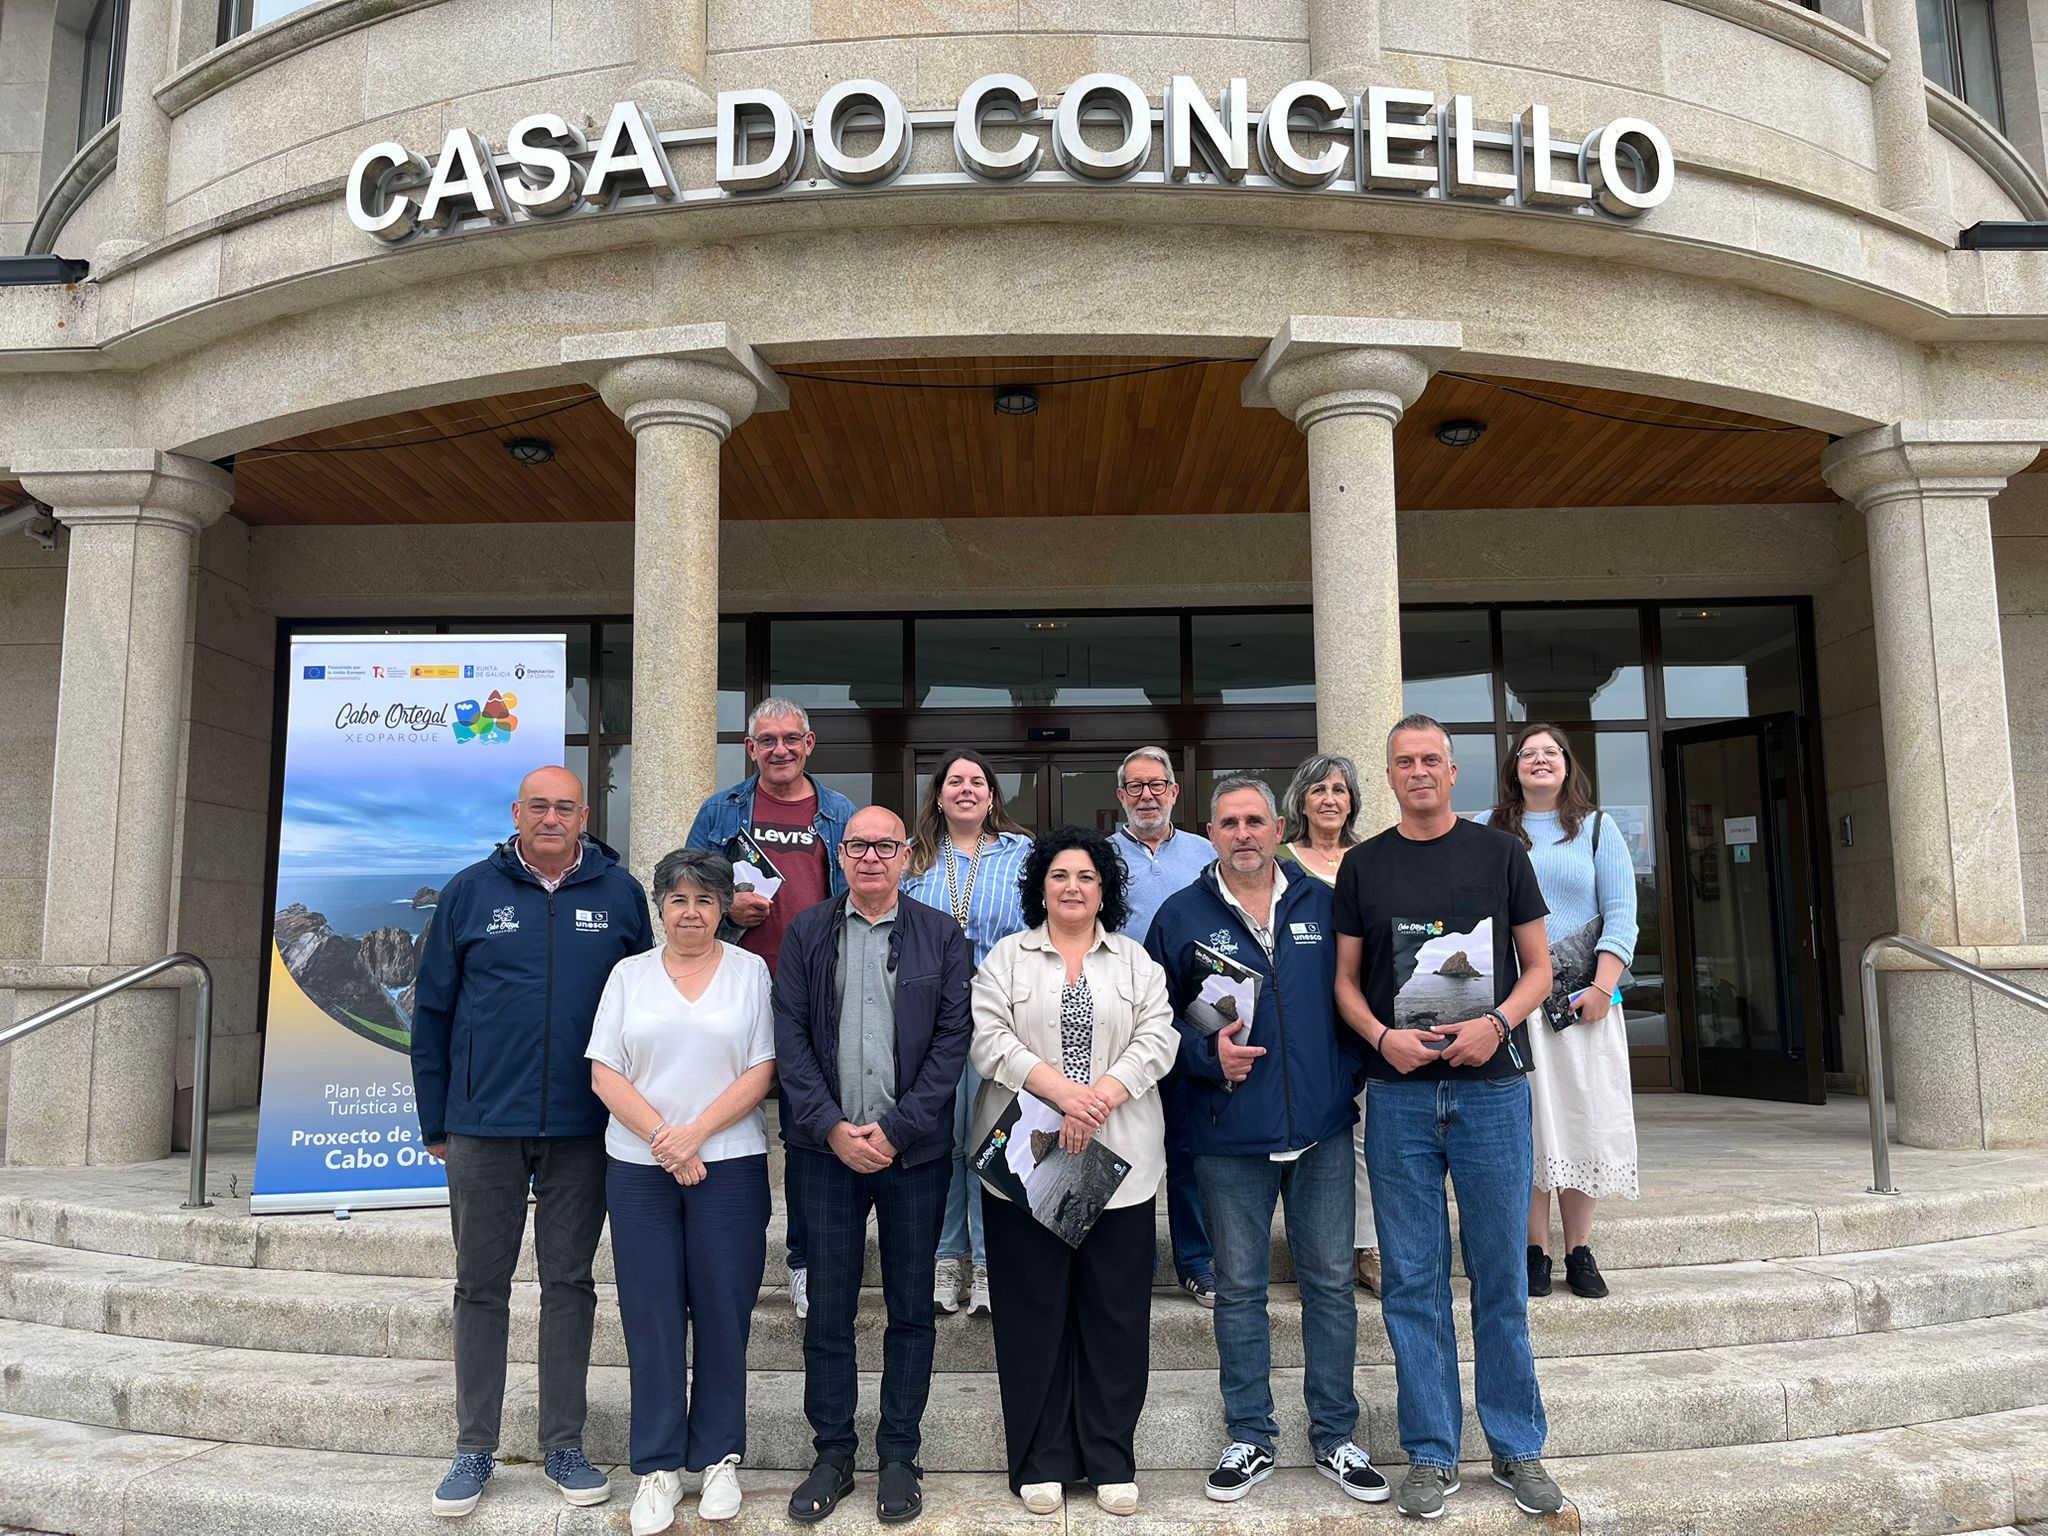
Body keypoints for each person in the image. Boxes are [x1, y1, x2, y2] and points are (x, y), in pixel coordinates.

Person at [1333, 716, 1561, 1521]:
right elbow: (1346, 981)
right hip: (1398, 1095)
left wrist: (1496, 1023)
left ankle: (1516, 1445)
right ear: (1390, 775)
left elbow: (1540, 968)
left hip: (1492, 1090)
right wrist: (1381, 1038)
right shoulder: (1364, 865)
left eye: (1431, 759)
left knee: (1500, 1275)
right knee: (1412, 1282)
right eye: (1405, 761)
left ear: (1453, 772)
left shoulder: (1501, 854)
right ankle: (1431, 1452)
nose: (1419, 771)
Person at [409, 766, 653, 1519]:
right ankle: (474, 1446)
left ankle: (563, 1445)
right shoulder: (469, 892)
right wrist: (436, 1121)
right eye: (538, 806)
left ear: (584, 815)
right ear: (516, 813)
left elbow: (647, 1006)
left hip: (585, 1127)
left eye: (564, 807)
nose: (551, 817)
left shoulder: (620, 895)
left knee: (569, 1284)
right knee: (479, 1285)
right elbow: (432, 1012)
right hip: (482, 1125)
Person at [1145, 777, 1386, 1509]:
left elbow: (1360, 999)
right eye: (1230, 823)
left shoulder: (1323, 904)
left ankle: (1335, 1435)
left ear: (1279, 828)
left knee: (1330, 1287)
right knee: (1240, 1290)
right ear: (1210, 833)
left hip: (1320, 1133)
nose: (1244, 833)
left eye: (1255, 820)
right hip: (1229, 1136)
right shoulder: (1180, 915)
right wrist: (1203, 1058)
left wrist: (1342, 1081)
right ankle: (1250, 1434)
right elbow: (1154, 1022)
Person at [773, 806, 974, 1526]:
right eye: (857, 845)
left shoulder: (940, 934)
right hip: (822, 1153)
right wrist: (831, 1127)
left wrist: (893, 1131)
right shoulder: (806, 931)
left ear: (907, 855)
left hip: (912, 1154)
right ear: (841, 854)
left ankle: (898, 1455)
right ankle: (832, 1453)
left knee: (910, 1310)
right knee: (828, 1311)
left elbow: (952, 1042)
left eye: (885, 846)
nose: (871, 857)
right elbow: (789, 1036)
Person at [970, 826, 1179, 1518]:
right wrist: (1062, 1094)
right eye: (1059, 875)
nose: (1072, 887)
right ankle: (1042, 1458)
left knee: (1114, 1314)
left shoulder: (1134, 961)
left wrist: (1101, 1097)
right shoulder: (1008, 957)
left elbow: (1159, 1037)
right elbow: (987, 1037)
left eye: (1086, 876)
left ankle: (1110, 1457)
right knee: (1033, 1312)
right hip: (1029, 1160)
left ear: (1103, 889)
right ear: (1040, 886)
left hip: (1121, 1163)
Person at [587, 849, 777, 1532]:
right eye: (678, 900)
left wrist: (693, 1135)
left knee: (724, 1311)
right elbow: (604, 1071)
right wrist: (665, 1140)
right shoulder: (628, 975)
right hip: (639, 1170)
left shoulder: (750, 971)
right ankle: (659, 1467)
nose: (691, 912)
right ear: (660, 908)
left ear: (723, 908)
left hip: (729, 1163)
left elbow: (763, 1068)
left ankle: (720, 1458)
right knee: (652, 1315)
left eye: (704, 900)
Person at [686, 696, 856, 1324]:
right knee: (720, 1122)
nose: (779, 749)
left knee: (809, 1132)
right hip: (735, 990)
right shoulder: (722, 810)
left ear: (809, 744)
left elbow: (866, 893)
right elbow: (682, 887)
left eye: (791, 739)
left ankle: (804, 1261)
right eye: (767, 740)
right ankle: (717, 1260)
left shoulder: (840, 812)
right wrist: (725, 907)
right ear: (750, 748)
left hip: (818, 994)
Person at [1477, 723, 1641, 1301]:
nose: (1540, 760)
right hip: (1514, 1004)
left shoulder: (1597, 828)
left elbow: (1622, 914)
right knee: (1526, 1127)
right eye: (1529, 753)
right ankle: (1534, 1250)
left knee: (1581, 1121)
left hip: (1581, 1005)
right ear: (1514, 767)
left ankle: (1579, 1249)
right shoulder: (1488, 828)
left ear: (1568, 765)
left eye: (1551, 752)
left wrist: (1602, 987)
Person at [901, 750, 1034, 1318]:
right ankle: (946, 1255)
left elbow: (1037, 929)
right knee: (942, 1141)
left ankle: (987, 1260)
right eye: (954, 781)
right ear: (938, 795)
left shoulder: (1022, 854)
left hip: (999, 1015)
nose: (966, 789)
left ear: (991, 795)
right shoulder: (912, 857)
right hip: (930, 1018)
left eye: (977, 781)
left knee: (988, 1140)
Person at [1107, 745, 1217, 1308]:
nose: (1146, 796)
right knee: (1128, 1145)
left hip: (1189, 1019)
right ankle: (1135, 1264)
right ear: (1120, 795)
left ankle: (1196, 1262)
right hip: (1119, 1021)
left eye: (1157, 785)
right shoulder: (1100, 856)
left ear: (1175, 792)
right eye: (1135, 786)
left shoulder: (1205, 852)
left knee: (1188, 1146)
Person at [1277, 754, 1383, 1298]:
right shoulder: (1280, 861)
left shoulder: (1373, 859)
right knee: (1308, 1138)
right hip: (1305, 1017)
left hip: (1369, 1014)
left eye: (1339, 790)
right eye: (1317, 789)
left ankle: (1366, 1246)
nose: (1329, 799)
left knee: (1365, 1137)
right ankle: (1317, 1256)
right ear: (1300, 799)